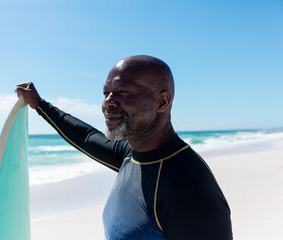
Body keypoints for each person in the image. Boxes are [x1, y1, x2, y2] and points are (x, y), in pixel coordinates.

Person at [15, 55, 233, 239]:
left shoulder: (188, 189)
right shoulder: (132, 155)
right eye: (106, 93)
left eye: (124, 91)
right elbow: (86, 137)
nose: (108, 102)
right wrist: (40, 105)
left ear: (162, 102)